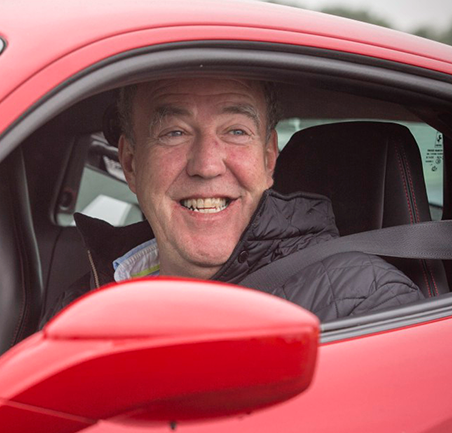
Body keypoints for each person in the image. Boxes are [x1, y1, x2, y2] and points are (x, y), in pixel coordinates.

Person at [45, 76, 422, 322]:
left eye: (236, 131)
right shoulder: (85, 303)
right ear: (130, 164)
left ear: (269, 158)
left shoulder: (366, 301)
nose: (207, 165)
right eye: (174, 132)